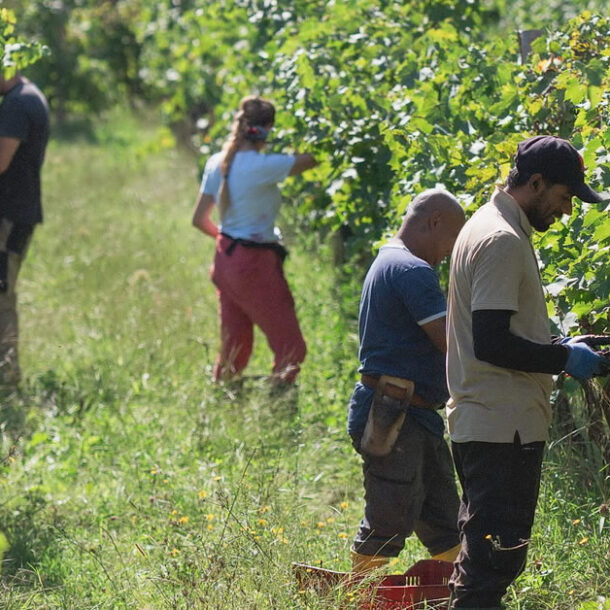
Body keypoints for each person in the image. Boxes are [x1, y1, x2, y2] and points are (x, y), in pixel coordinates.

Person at [446, 135, 608, 609]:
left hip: (490, 422)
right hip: (502, 428)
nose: (568, 210)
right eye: (564, 196)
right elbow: (492, 342)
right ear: (536, 183)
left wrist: (558, 346)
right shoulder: (502, 240)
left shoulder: (489, 225)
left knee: (485, 559)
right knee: (493, 563)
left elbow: (498, 331)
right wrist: (564, 360)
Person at [347, 189, 466, 574]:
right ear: (435, 222)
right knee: (389, 516)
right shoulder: (411, 270)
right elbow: (452, 343)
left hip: (413, 415)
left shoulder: (389, 260)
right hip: (396, 415)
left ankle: (456, 590)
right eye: (453, 238)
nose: (451, 252)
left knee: (444, 517)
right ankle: (356, 593)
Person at [192, 95, 316, 385]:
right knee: (291, 348)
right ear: (267, 129)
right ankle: (278, 403)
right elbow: (313, 159)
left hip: (225, 259)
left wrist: (230, 241)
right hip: (254, 264)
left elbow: (198, 220)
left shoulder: (217, 162)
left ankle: (223, 398)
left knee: (235, 347)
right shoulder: (263, 166)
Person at [0, 71, 49, 387]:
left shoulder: (17, 104)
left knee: (1, 295)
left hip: (9, 217)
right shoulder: (28, 96)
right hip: (18, 213)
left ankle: (6, 376)